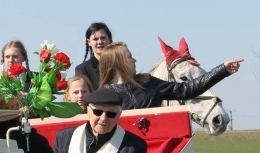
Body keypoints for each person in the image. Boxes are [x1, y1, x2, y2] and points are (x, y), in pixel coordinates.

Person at [0, 41, 84, 153]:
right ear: (19, 112)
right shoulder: (29, 141)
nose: (11, 60)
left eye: (15, 56)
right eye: (7, 56)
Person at [98, 42, 243, 110]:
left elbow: (187, 89)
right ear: (118, 63)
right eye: (130, 57)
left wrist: (223, 70)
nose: (135, 60)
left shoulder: (149, 83)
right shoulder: (103, 96)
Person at [74, 22, 112, 89]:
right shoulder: (82, 70)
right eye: (95, 39)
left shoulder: (120, 65)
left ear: (110, 40)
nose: (100, 42)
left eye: (103, 38)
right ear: (89, 42)